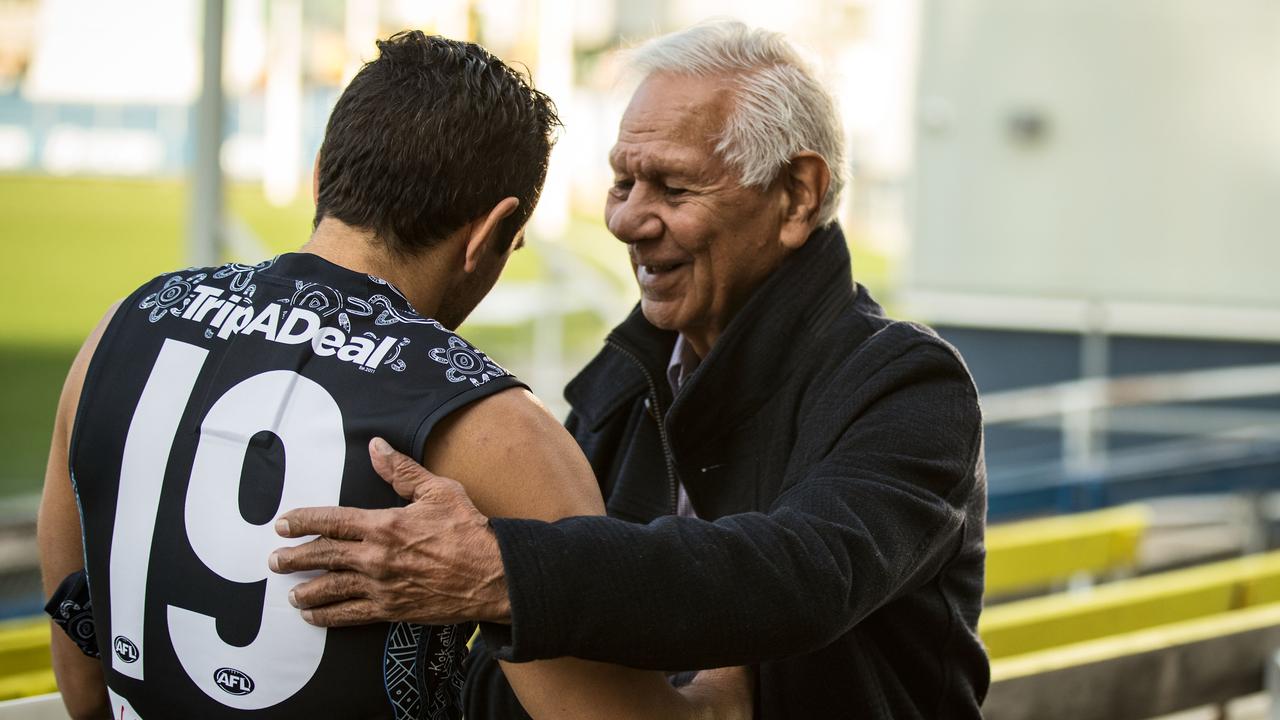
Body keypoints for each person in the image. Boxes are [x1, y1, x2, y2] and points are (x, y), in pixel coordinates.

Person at [271, 21, 989, 719]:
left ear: (797, 194)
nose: (625, 222)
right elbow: (526, 675)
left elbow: (806, 574)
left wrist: (499, 572)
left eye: (673, 189)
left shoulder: (908, 383)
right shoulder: (623, 381)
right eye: (622, 184)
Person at [37, 31, 749, 720]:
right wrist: (740, 665)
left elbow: (85, 683)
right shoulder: (498, 431)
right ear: (488, 235)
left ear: (322, 173)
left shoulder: (123, 326)